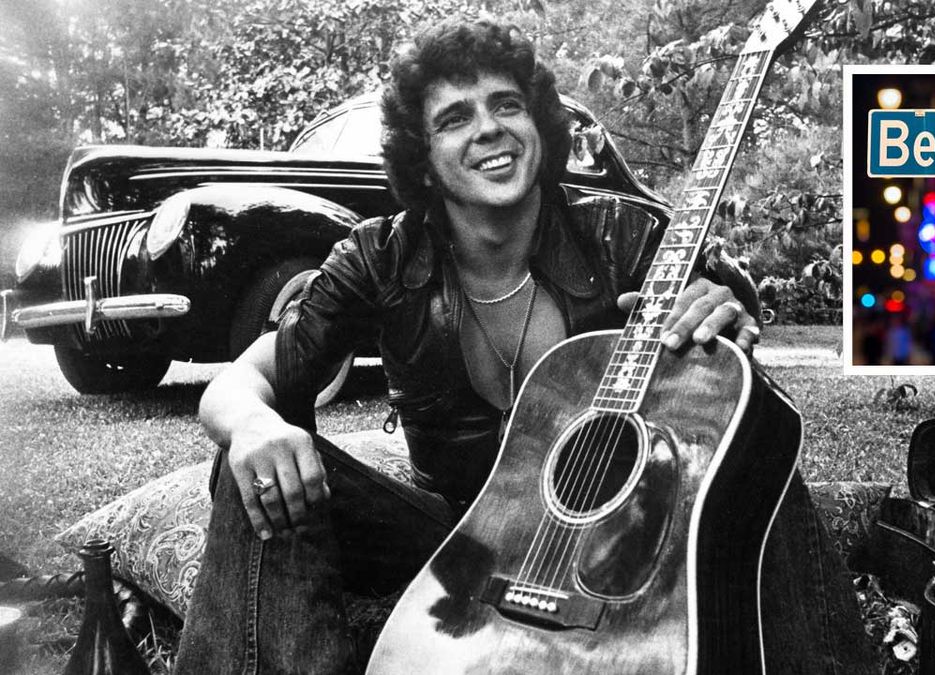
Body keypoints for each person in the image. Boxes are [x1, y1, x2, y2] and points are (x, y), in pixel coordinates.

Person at [175, 18, 871, 674]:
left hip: (618, 543)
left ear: (537, 121)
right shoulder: (381, 258)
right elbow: (236, 386)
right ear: (422, 157)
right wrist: (256, 424)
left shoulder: (626, 237)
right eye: (455, 117)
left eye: (506, 104)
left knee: (754, 466)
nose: (489, 130)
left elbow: (722, 319)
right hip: (457, 542)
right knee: (253, 469)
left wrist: (722, 313)